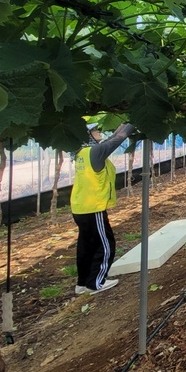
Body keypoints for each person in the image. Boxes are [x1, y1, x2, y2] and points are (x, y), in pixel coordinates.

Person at [71, 122, 134, 295]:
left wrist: (123, 124)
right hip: (93, 207)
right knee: (106, 245)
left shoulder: (82, 153)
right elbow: (117, 140)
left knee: (86, 245)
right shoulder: (95, 152)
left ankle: (82, 283)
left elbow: (112, 138)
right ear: (88, 136)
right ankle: (96, 283)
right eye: (94, 130)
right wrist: (134, 122)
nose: (98, 132)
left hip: (80, 206)